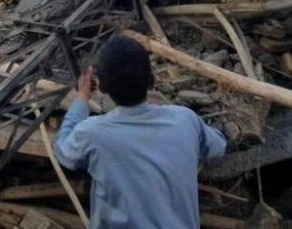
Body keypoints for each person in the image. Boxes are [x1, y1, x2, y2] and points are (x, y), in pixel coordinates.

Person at [54, 35, 227, 229]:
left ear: (101, 87)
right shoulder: (184, 120)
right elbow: (218, 146)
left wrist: (82, 98)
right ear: (152, 80)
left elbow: (63, 152)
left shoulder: (92, 133)